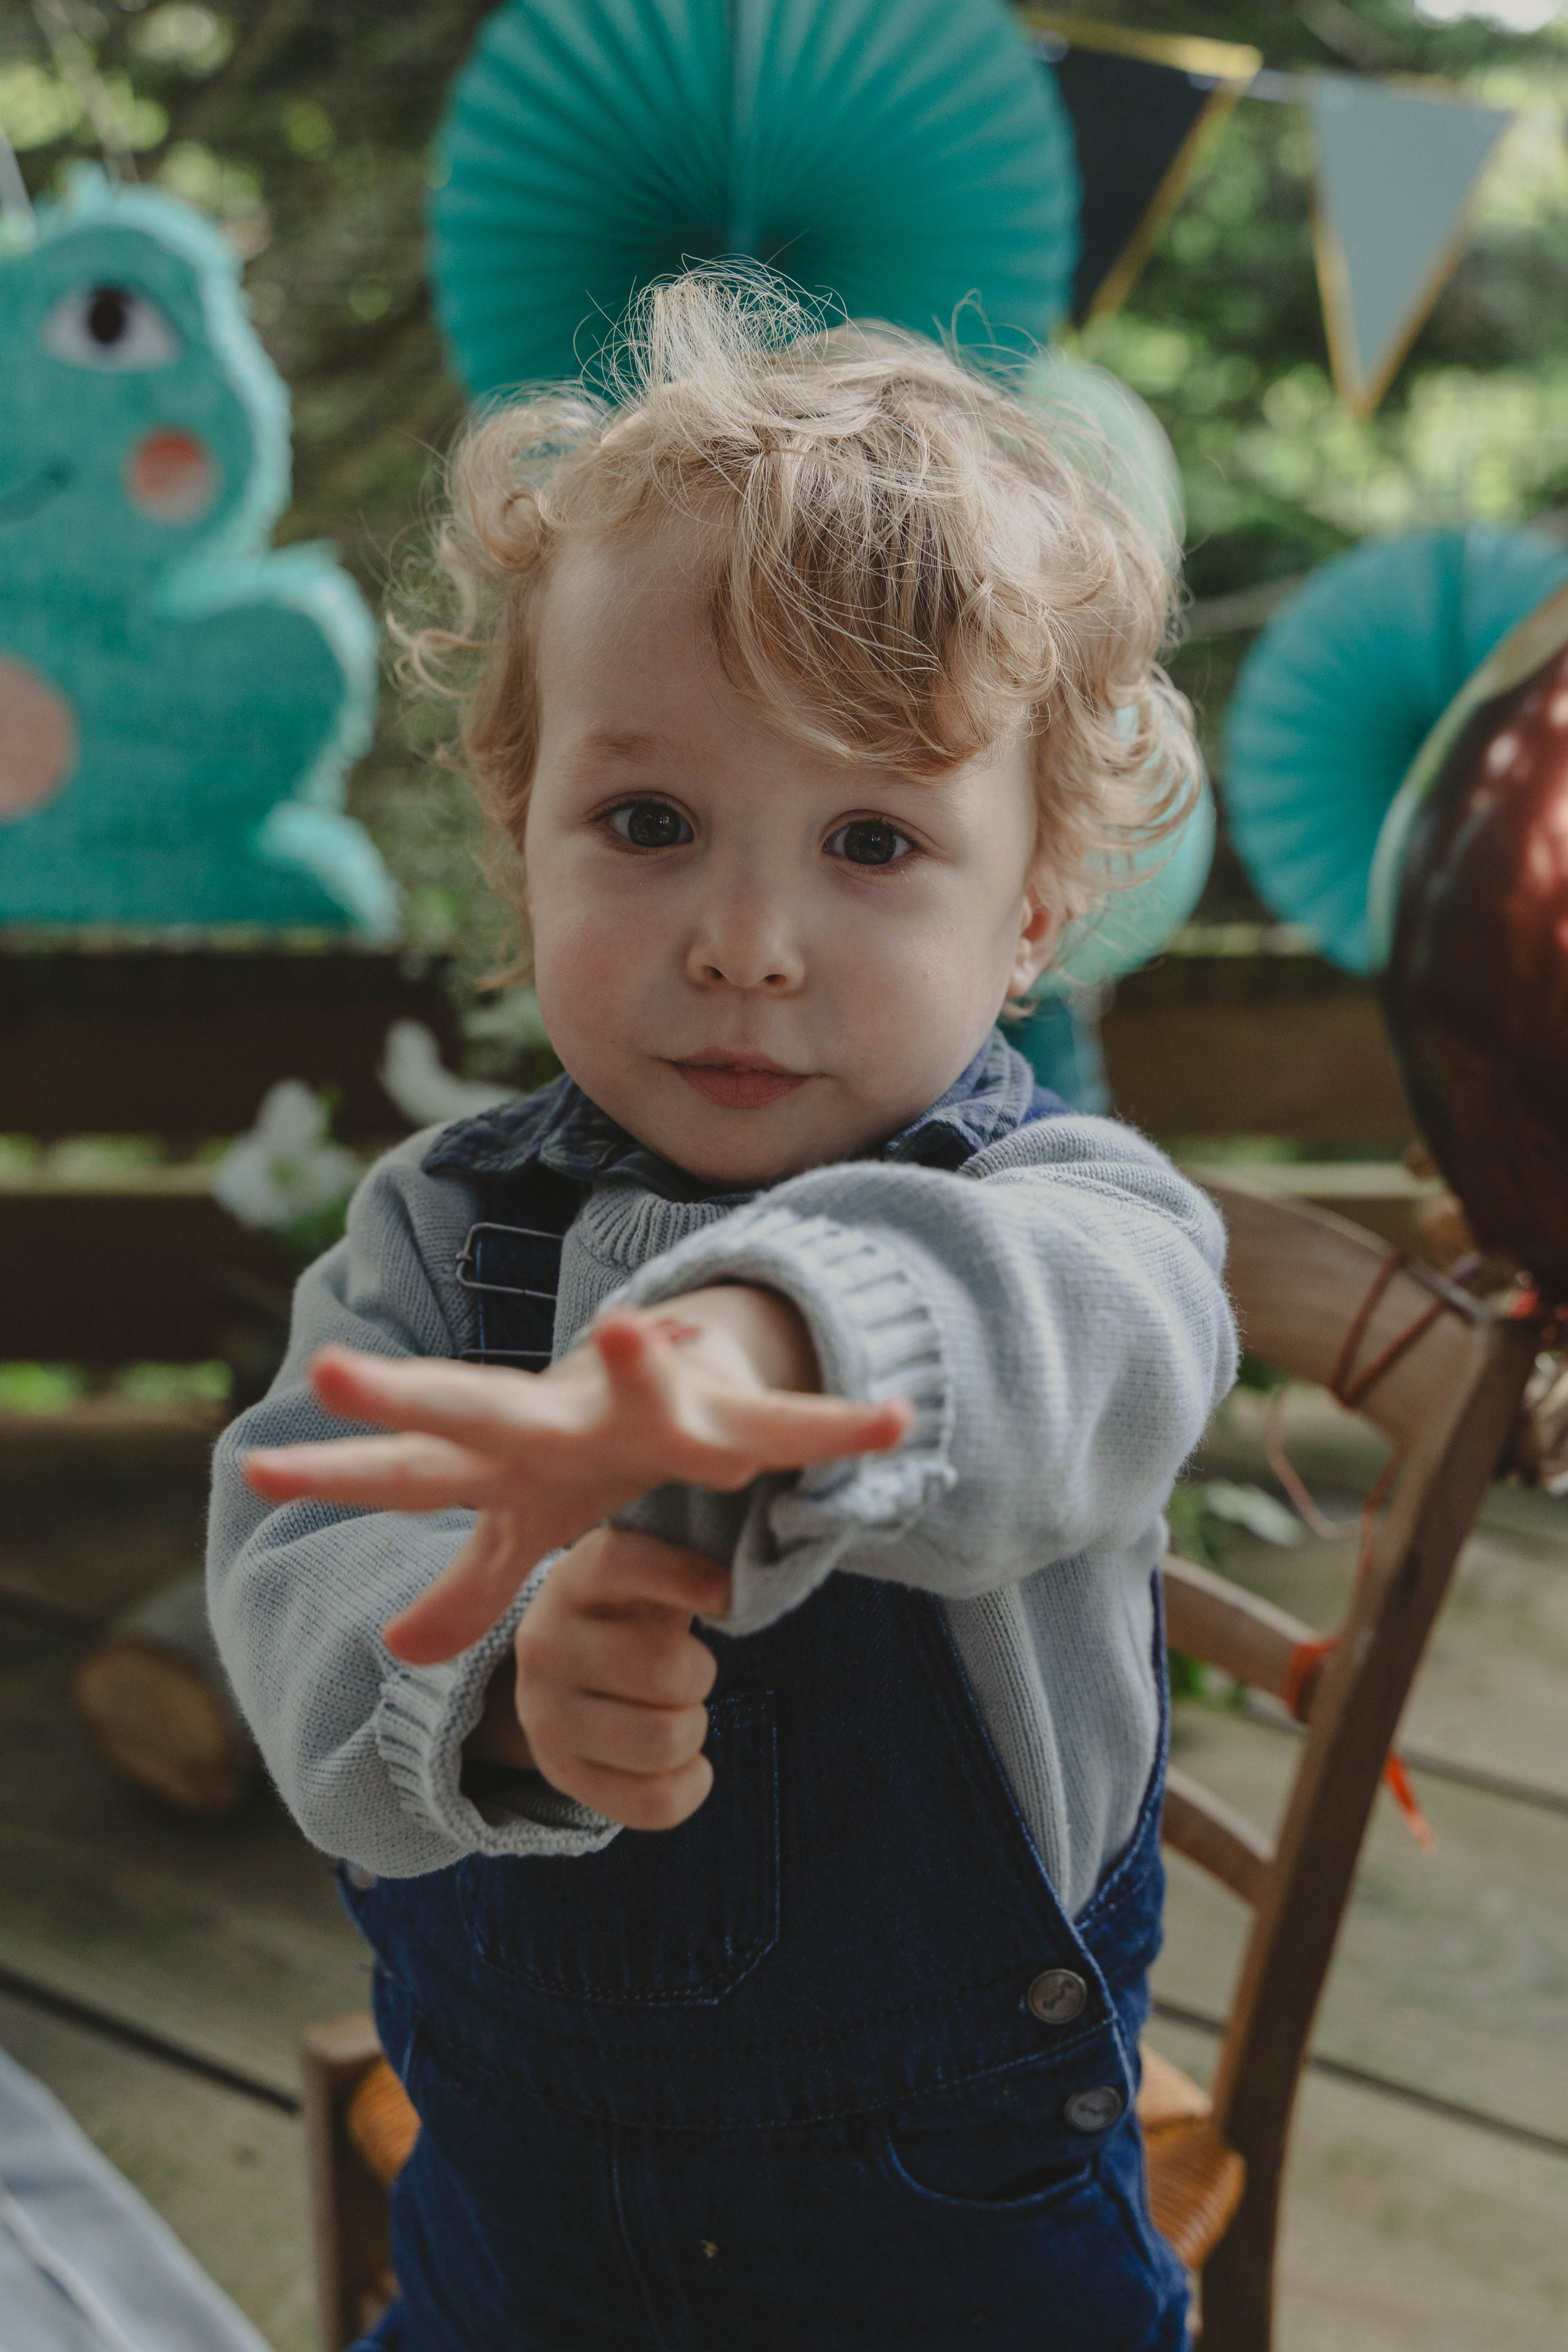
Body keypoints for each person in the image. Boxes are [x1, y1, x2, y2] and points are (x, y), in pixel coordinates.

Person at [209, 275, 1236, 2352]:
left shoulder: (1072, 1220)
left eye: (874, 840)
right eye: (650, 824)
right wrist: (493, 1681)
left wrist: (779, 1352)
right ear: (524, 833)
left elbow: (1085, 1341)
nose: (748, 944)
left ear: (1032, 902)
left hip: (955, 2252)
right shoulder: (442, 1233)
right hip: (526, 2245)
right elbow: (298, 1557)